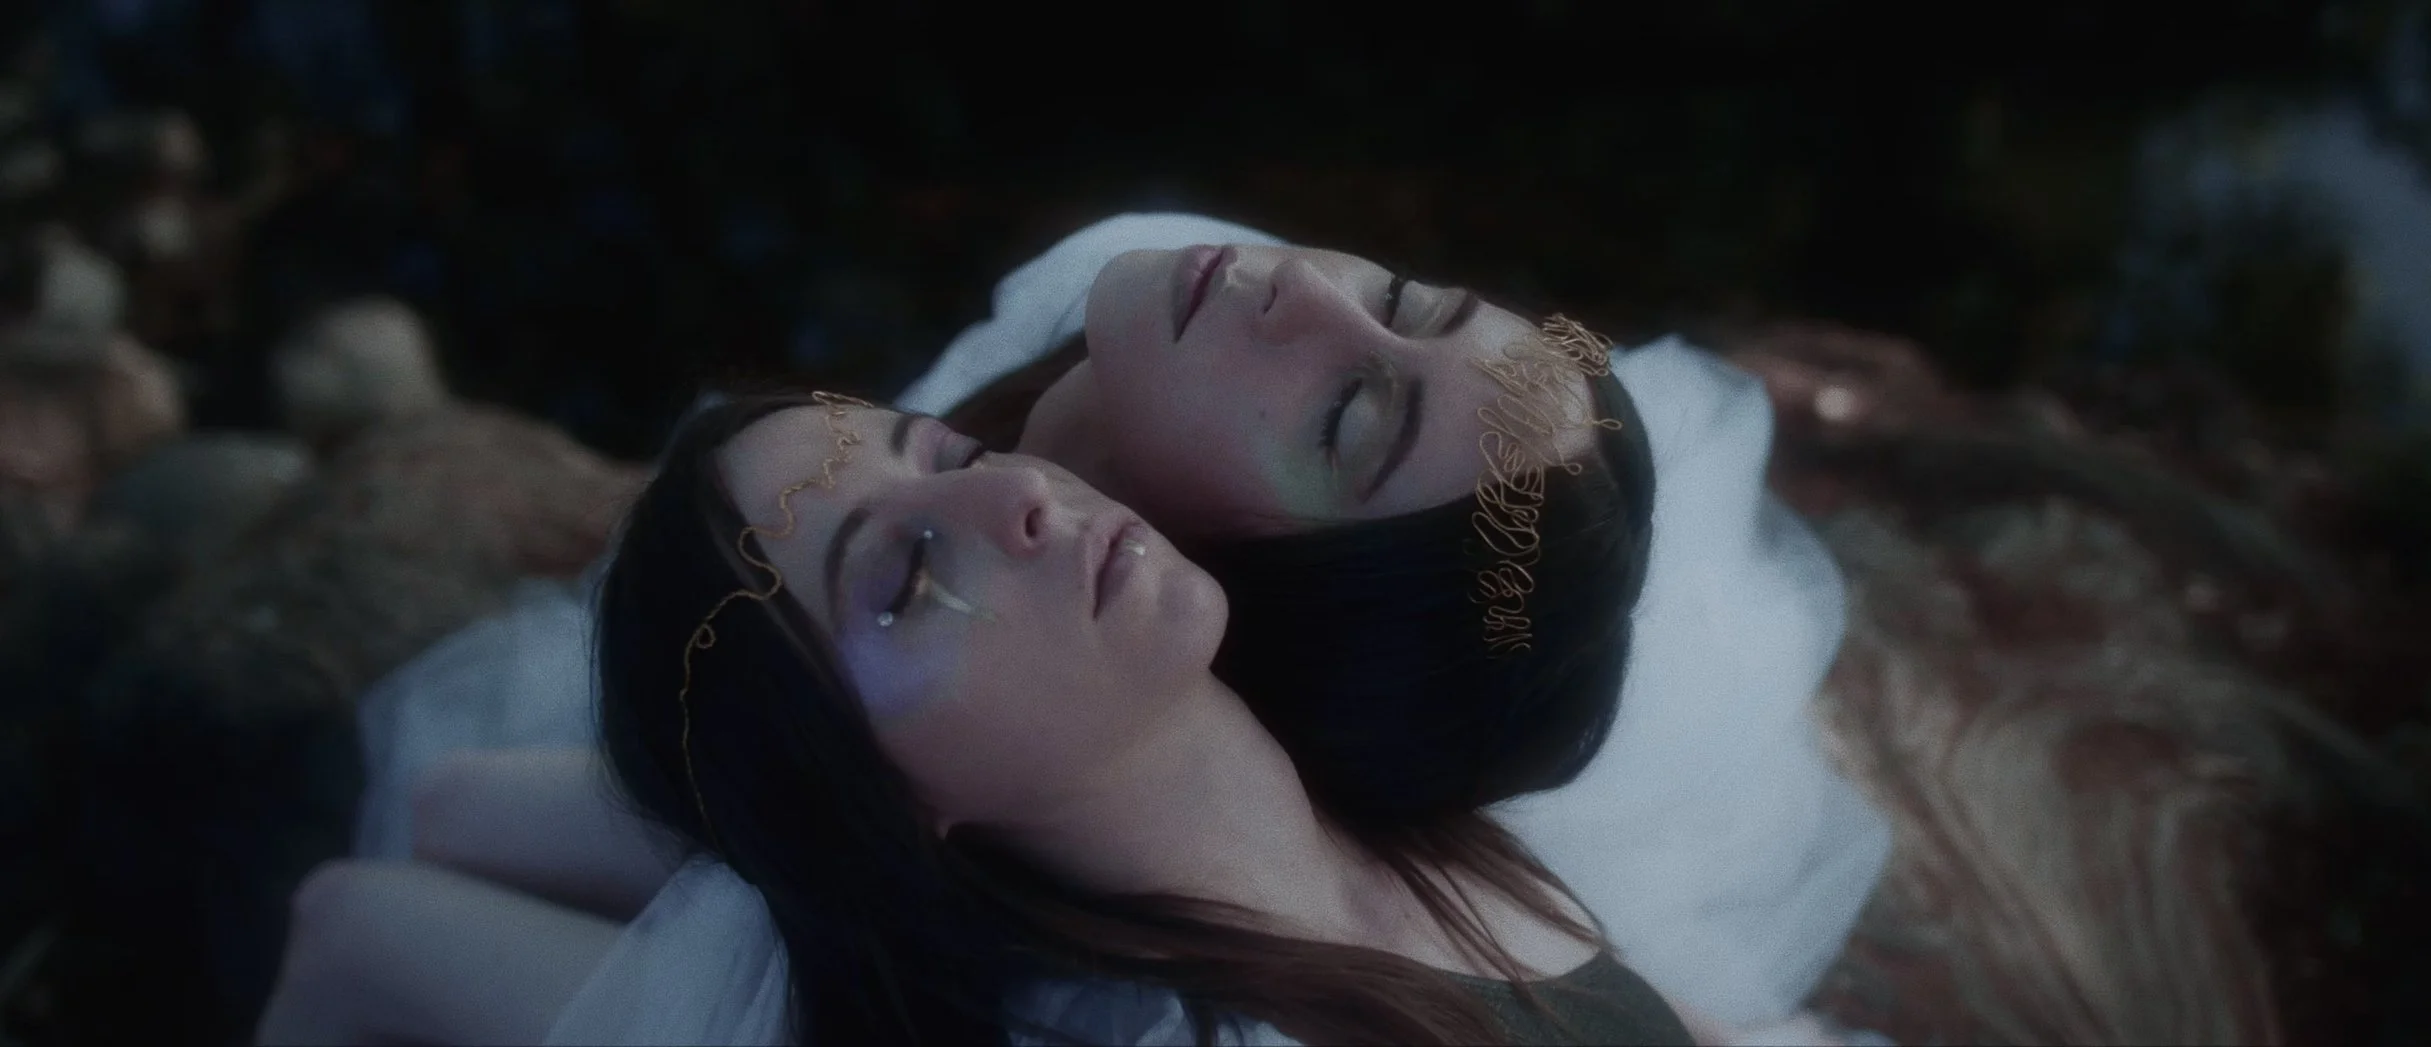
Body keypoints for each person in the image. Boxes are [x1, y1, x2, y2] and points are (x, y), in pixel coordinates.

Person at [355, 212, 1885, 1043]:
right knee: (428, 846)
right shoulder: (1130, 328)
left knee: (396, 886)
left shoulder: (1363, 846)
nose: (1305, 292)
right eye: (1407, 299)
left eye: (1349, 417)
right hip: (924, 771)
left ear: (1274, 587)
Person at [259, 394, 1697, 1046]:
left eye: (945, 450)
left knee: (428, 836)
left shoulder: (1384, 764)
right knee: (365, 906)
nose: (1020, 493)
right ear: (888, 792)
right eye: (909, 575)